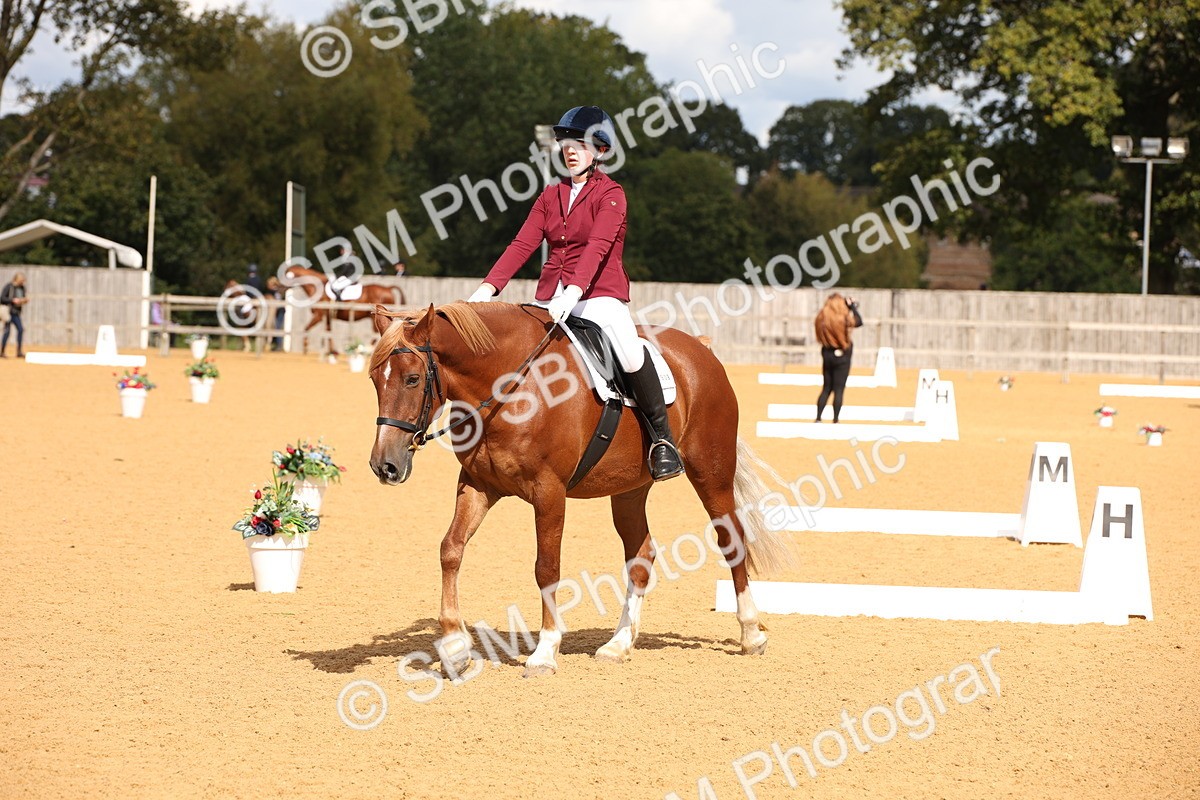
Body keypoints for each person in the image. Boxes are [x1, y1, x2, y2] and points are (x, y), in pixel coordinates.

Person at [466, 105, 683, 481]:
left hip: (600, 295)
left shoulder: (611, 194)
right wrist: (486, 289)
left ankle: (662, 440)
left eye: (580, 143)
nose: (570, 149)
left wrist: (574, 291)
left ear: (599, 150)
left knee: (629, 351)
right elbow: (522, 245)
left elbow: (599, 246)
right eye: (566, 142)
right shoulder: (550, 196)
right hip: (550, 295)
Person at [814, 293, 862, 423]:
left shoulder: (821, 317)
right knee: (839, 389)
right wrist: (852, 307)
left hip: (827, 352)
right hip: (842, 354)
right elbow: (859, 322)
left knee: (826, 388)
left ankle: (818, 418)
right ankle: (835, 419)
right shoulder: (843, 318)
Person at [1, 272, 28, 358]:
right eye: (21, 280)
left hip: (16, 313)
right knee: (7, 332)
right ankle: (2, 351)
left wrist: (24, 300)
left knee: (20, 330)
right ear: (17, 279)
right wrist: (12, 300)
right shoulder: (9, 286)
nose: (22, 282)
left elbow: (23, 297)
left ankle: (19, 351)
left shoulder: (22, 288)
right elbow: (2, 298)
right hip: (8, 312)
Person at [266, 276, 286, 351]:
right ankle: (276, 344)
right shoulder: (275, 291)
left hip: (280, 310)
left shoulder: (277, 291)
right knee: (275, 327)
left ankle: (279, 345)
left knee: (278, 327)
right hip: (275, 311)